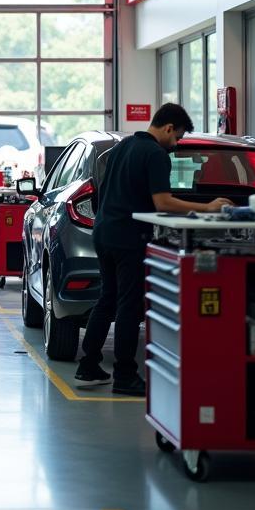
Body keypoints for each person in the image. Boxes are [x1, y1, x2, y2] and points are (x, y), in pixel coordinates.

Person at [75, 103, 232, 396]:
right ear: (169, 128)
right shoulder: (156, 155)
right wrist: (207, 208)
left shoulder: (123, 147)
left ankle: (89, 364)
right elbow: (163, 202)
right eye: (178, 138)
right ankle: (124, 375)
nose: (176, 145)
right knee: (128, 306)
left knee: (107, 299)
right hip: (128, 237)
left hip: (104, 232)